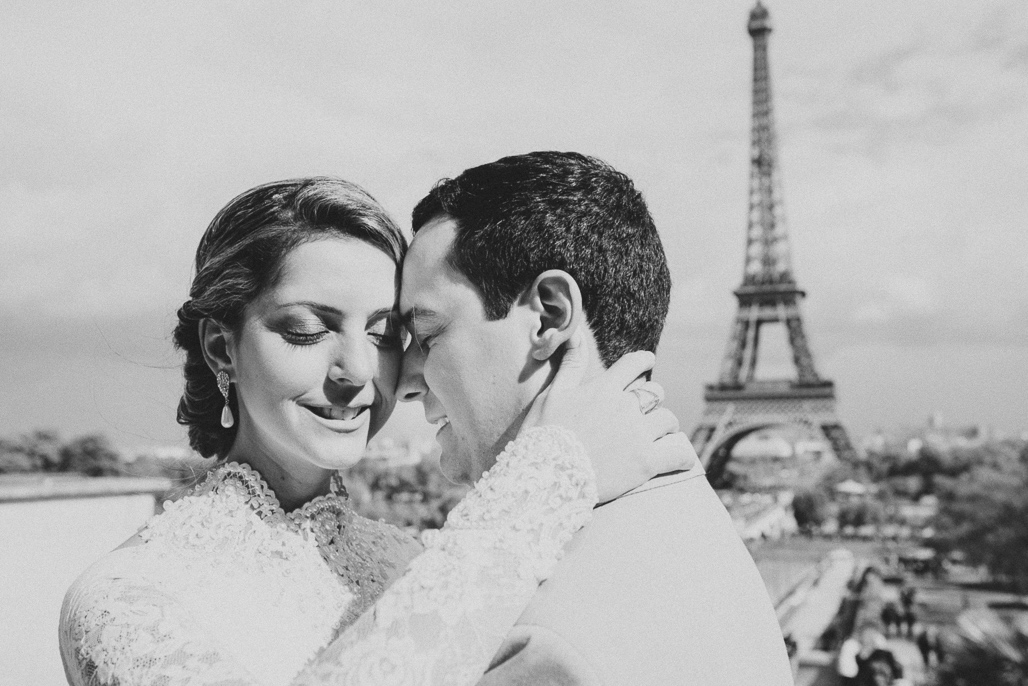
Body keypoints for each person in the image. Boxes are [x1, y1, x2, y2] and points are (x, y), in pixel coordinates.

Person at [59, 177, 688, 686]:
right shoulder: (126, 600)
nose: (359, 372)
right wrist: (547, 481)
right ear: (222, 348)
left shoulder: (416, 564)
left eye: (385, 335)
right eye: (308, 330)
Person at [388, 152, 794, 685]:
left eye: (428, 335)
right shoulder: (687, 528)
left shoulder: (542, 633)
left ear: (549, 316)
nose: (405, 382)